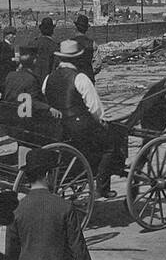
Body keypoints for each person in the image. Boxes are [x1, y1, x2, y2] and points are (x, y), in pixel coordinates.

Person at [43, 40, 126, 199]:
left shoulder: (49, 78)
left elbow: (47, 97)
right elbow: (95, 109)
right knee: (110, 144)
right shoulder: (80, 78)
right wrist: (102, 122)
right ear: (76, 59)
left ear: (60, 59)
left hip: (58, 128)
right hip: (79, 128)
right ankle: (102, 186)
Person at [6, 148, 93, 260]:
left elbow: (11, 256)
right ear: (48, 174)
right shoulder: (65, 207)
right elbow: (80, 252)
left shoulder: (16, 210)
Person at [25, 18, 58, 85]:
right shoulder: (54, 46)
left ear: (41, 30)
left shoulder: (32, 43)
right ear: (52, 30)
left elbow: (26, 65)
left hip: (32, 82)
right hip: (47, 83)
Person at [72, 15, 97, 79]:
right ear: (86, 29)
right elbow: (97, 63)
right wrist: (90, 72)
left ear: (76, 28)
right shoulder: (92, 43)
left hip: (74, 79)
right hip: (88, 78)